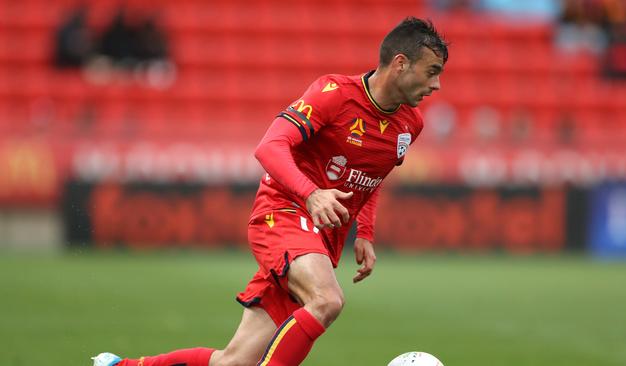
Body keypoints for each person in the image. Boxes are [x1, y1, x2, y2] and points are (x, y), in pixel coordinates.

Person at [92, 16, 448, 366]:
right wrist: (312, 194)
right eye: (432, 71)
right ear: (400, 63)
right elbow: (269, 147)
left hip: (321, 239)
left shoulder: (409, 124)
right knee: (327, 300)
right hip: (284, 212)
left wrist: (365, 232)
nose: (437, 86)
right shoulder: (334, 94)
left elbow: (373, 175)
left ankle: (118, 365)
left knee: (233, 362)